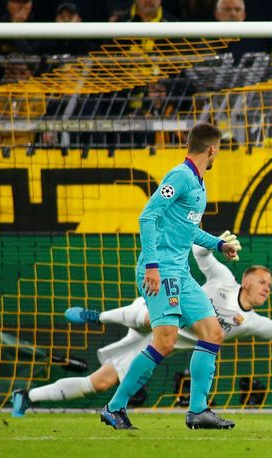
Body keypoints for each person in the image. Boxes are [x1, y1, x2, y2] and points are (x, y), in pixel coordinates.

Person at [11, 234, 272, 417]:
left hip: (159, 342)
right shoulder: (224, 280)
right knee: (148, 317)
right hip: (159, 310)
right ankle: (96, 316)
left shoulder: (249, 322)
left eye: (269, 286)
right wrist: (218, 242)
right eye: (262, 282)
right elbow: (201, 256)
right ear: (246, 281)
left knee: (99, 383)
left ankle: (26, 396)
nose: (266, 289)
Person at [97, 122, 236, 430]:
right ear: (212, 149)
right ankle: (115, 407)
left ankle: (198, 410)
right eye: (219, 150)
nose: (217, 156)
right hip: (160, 270)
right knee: (165, 342)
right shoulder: (181, 176)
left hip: (181, 273)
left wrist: (219, 244)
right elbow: (147, 215)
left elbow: (187, 230)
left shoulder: (198, 184)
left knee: (213, 332)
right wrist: (151, 266)